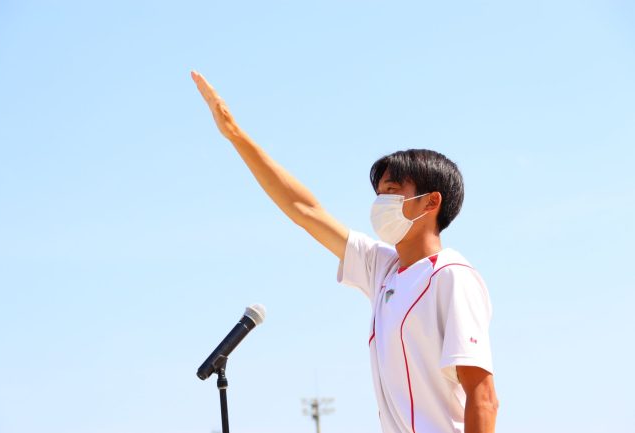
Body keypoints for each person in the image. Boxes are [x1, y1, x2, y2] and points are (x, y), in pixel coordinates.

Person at [191, 70, 499, 433]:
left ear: (431, 202)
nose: (381, 202)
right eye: (379, 193)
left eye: (392, 191)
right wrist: (235, 134)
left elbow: (483, 398)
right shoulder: (383, 269)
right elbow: (304, 210)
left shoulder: (452, 276)